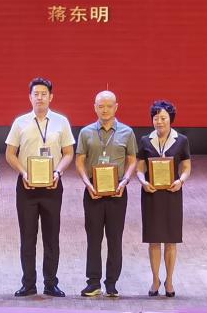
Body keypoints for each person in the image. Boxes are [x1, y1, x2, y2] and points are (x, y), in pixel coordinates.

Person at [5, 77, 76, 297]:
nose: (40, 97)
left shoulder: (61, 122)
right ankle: (28, 283)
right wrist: (23, 173)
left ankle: (51, 283)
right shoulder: (20, 122)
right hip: (26, 186)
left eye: (44, 94)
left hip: (53, 186)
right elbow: (10, 154)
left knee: (51, 237)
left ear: (51, 97)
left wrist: (58, 172)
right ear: (30, 97)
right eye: (36, 94)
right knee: (27, 237)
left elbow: (68, 153)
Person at [75, 90, 137, 298]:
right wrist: (87, 184)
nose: (105, 110)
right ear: (95, 107)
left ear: (116, 107)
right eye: (101, 106)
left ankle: (111, 283)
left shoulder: (127, 132)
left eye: (109, 106)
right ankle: (93, 283)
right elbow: (79, 161)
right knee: (93, 239)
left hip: (117, 191)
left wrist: (125, 181)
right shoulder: (86, 132)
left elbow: (132, 160)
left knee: (115, 238)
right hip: (93, 190)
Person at [136, 99, 192, 297]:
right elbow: (139, 167)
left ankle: (169, 280)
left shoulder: (181, 140)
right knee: (153, 240)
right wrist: (143, 181)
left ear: (170, 119)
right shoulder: (145, 140)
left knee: (170, 240)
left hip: (172, 194)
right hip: (150, 194)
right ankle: (155, 280)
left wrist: (181, 181)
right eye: (155, 118)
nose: (159, 121)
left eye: (163, 118)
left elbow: (186, 167)